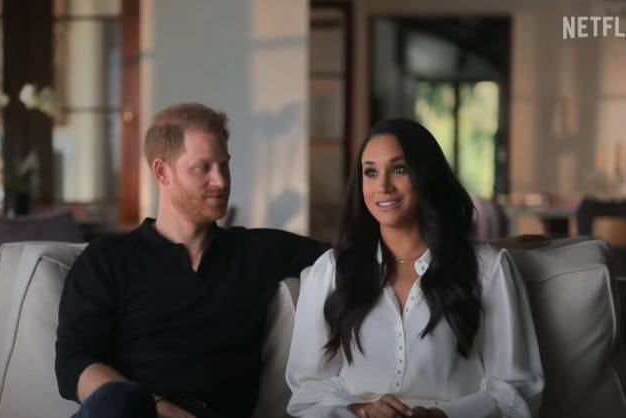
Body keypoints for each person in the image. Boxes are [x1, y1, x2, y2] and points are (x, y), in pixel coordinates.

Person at [55, 103, 329, 418]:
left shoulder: (257, 251)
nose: (221, 181)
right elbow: (74, 361)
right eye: (203, 168)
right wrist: (158, 407)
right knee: (117, 400)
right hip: (132, 412)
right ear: (162, 171)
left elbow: (355, 259)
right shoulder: (108, 258)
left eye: (224, 166)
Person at [286, 119, 544, 418]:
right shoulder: (332, 271)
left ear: (426, 175)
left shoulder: (487, 268)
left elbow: (518, 391)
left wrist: (443, 416)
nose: (383, 186)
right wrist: (360, 411)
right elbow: (306, 395)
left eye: (399, 169)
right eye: (370, 172)